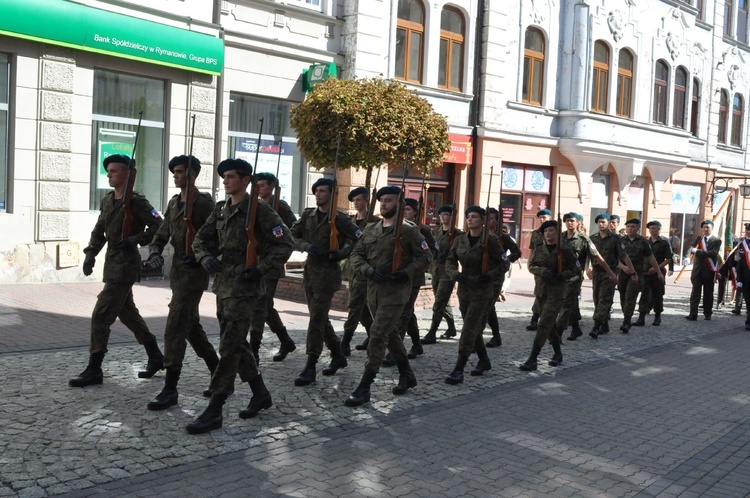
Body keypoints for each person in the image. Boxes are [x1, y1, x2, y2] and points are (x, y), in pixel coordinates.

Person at [186, 158, 294, 434]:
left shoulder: (261, 210)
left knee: (230, 347)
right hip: (224, 284)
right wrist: (205, 256)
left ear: (246, 180)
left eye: (231, 177)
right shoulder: (222, 210)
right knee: (236, 342)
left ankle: (216, 407)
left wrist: (261, 268)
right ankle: (260, 393)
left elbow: (285, 243)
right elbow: (200, 239)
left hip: (246, 286)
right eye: (224, 177)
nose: (225, 181)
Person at [69, 154, 163, 388]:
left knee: (101, 315)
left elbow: (158, 225)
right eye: (108, 171)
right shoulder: (108, 200)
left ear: (127, 174)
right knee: (127, 314)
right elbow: (99, 229)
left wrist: (134, 239)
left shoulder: (136, 201)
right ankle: (155, 355)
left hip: (126, 266)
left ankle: (94, 368)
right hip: (111, 264)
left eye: (113, 171)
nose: (109, 175)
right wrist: (91, 253)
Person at [143, 155, 220, 410]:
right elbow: (162, 231)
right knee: (190, 326)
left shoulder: (204, 203)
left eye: (179, 171)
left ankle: (170, 388)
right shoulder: (175, 203)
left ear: (193, 174)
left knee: (175, 326)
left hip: (194, 273)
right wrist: (155, 253)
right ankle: (218, 371)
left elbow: (218, 236)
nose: (175, 175)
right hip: (177, 272)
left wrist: (201, 256)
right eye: (174, 171)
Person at [345, 185, 431, 406]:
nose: (383, 204)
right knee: (391, 334)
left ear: (400, 204)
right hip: (373, 292)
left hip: (395, 293)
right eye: (381, 200)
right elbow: (356, 255)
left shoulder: (409, 231)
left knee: (377, 334)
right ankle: (407, 374)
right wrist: (367, 269)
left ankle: (365, 386)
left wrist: (406, 272)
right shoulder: (371, 229)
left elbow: (426, 257)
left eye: (389, 200)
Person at [291, 178, 362, 386]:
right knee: (319, 318)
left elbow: (360, 237)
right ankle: (338, 355)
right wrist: (305, 246)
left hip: (328, 274)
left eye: (323, 191)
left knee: (316, 320)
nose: (318, 194)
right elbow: (291, 236)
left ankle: (311, 364)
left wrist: (342, 253)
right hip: (310, 273)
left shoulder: (339, 219)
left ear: (332, 195)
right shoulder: (308, 215)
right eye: (317, 191)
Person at [444, 206, 505, 384]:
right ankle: (484, 360)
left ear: (483, 220)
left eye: (475, 217)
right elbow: (450, 260)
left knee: (469, 328)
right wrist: (455, 274)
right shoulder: (460, 240)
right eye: (468, 216)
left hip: (482, 290)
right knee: (473, 328)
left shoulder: (491, 241)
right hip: (464, 289)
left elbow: (504, 264)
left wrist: (490, 275)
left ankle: (459, 368)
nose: (470, 220)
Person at [383, 197, 438, 364]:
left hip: (413, 277)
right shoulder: (393, 227)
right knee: (407, 313)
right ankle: (416, 344)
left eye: (407, 210)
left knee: (403, 314)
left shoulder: (423, 230)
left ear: (415, 211)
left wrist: (415, 263)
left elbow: (433, 252)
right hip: (395, 277)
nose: (404, 212)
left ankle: (394, 352)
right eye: (403, 209)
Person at [249, 171, 297, 363]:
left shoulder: (280, 206)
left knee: (260, 306)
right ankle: (286, 341)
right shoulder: (256, 205)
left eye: (262, 185)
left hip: (271, 263)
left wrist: (276, 239)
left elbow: (294, 227)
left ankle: (254, 349)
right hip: (256, 261)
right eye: (257, 185)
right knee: (265, 306)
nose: (258, 189)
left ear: (271, 186)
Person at [520, 220, 579, 371]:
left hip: (556, 292)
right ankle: (558, 353)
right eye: (546, 231)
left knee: (544, 324)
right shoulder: (539, 247)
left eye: (551, 230)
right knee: (550, 324)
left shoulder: (565, 249)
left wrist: (563, 275)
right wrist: (541, 271)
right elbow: (531, 265)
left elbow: (576, 269)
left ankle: (533, 358)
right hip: (541, 291)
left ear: (557, 232)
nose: (548, 233)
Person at [560, 213, 617, 340]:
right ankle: (576, 328)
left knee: (566, 303)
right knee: (572, 303)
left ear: (578, 222)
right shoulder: (560, 237)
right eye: (567, 221)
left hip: (575, 277)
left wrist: (610, 272)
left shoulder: (584, 239)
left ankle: (558, 332)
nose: (569, 223)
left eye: (572, 221)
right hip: (561, 276)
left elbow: (597, 256)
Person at [340, 186, 376, 355]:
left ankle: (345, 342)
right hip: (353, 270)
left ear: (367, 201)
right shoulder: (350, 223)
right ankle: (371, 336)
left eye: (358, 200)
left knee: (355, 305)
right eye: (354, 200)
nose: (355, 203)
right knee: (360, 309)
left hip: (368, 269)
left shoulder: (376, 222)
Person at [587, 213, 633, 337]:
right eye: (599, 222)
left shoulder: (615, 238)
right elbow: (588, 255)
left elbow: (623, 255)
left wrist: (631, 271)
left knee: (605, 299)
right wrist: (587, 268)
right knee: (597, 299)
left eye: (604, 222)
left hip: (610, 273)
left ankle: (596, 327)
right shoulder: (592, 238)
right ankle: (605, 323)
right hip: (596, 272)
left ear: (608, 223)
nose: (601, 224)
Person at [421, 205, 461, 344]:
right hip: (435, 270)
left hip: (448, 272)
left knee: (438, 303)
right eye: (441, 214)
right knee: (443, 303)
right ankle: (451, 328)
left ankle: (432, 332)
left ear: (452, 216)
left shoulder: (457, 234)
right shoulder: (435, 231)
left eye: (446, 214)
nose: (443, 217)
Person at [618, 219, 664, 333]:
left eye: (633, 226)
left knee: (631, 296)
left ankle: (627, 321)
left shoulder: (643, 242)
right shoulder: (620, 241)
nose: (630, 229)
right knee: (623, 295)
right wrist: (624, 268)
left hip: (637, 274)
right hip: (623, 273)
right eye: (628, 226)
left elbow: (651, 257)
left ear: (638, 228)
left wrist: (659, 272)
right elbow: (614, 258)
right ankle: (626, 314)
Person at [484, 210, 521, 348]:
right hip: (481, 274)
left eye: (492, 219)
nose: (489, 221)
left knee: (487, 306)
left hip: (496, 276)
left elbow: (517, 252)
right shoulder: (480, 235)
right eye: (487, 218)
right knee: (482, 306)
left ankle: (495, 335)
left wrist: (505, 260)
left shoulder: (503, 237)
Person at [633, 221, 674, 327]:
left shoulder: (664, 242)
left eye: (654, 228)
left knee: (657, 295)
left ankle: (657, 317)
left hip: (658, 273)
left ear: (659, 229)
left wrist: (657, 269)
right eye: (650, 228)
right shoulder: (646, 241)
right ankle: (641, 318)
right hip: (646, 272)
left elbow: (668, 259)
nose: (652, 230)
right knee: (644, 295)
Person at [686, 220, 721, 321]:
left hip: (709, 271)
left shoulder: (716, 240)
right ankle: (693, 314)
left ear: (712, 228)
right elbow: (691, 248)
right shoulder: (699, 238)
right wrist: (687, 257)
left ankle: (707, 313)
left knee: (708, 294)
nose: (705, 229)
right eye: (704, 227)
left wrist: (698, 252)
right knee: (695, 294)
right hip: (697, 271)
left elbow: (713, 253)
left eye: (707, 227)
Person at [525, 209, 552, 331]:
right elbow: (532, 249)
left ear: (550, 218)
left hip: (552, 266)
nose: (542, 219)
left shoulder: (556, 232)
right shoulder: (536, 233)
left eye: (545, 217)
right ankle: (535, 318)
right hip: (539, 267)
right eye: (540, 217)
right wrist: (529, 263)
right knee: (540, 292)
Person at [734, 223, 750, 330]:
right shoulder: (741, 243)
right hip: (746, 278)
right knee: (748, 301)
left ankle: (748, 322)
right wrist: (738, 279)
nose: (748, 231)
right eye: (747, 230)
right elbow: (739, 264)